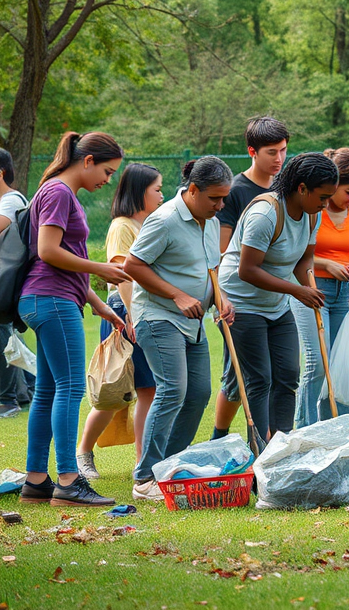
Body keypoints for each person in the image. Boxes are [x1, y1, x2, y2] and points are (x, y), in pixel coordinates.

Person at [19, 132, 128, 507]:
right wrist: (101, 268)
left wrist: (98, 302)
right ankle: (68, 481)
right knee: (70, 389)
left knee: (49, 390)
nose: (108, 180)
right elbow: (47, 251)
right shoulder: (59, 192)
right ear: (88, 160)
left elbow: (64, 258)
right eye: (107, 171)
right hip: (50, 299)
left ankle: (36, 482)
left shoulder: (59, 192)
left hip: (50, 297)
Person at [123, 157, 234, 501]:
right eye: (215, 198)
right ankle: (145, 479)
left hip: (194, 320)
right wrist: (177, 295)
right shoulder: (165, 220)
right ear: (193, 190)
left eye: (224, 198)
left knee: (199, 392)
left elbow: (211, 270)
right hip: (158, 316)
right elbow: (133, 265)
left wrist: (222, 298)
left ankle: (167, 467)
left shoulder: (211, 221)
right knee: (173, 389)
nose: (221, 205)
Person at [218, 153, 338, 442]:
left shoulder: (313, 214)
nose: (326, 204)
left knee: (288, 375)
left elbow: (303, 261)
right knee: (260, 380)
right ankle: (259, 453)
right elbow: (247, 270)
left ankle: (280, 447)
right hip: (241, 303)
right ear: (301, 188)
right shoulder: (266, 214)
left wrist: (307, 283)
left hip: (276, 304)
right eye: (322, 197)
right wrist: (298, 291)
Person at [76, 164, 164, 480]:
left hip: (147, 313)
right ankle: (83, 452)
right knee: (116, 391)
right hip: (126, 313)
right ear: (140, 191)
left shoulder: (152, 223)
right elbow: (122, 276)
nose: (162, 194)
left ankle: (145, 461)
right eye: (157, 189)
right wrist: (132, 318)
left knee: (149, 390)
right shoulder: (122, 226)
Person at [211, 116, 289, 440]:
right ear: (252, 151)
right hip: (238, 300)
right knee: (241, 378)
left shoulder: (284, 187)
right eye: (272, 152)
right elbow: (222, 252)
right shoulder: (235, 191)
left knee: (265, 376)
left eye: (284, 150)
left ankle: (262, 440)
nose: (279, 159)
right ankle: (223, 439)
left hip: (273, 303)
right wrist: (221, 299)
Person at [292, 148, 349, 427]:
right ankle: (305, 433)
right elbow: (296, 251)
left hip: (341, 294)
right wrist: (328, 264)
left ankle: (340, 435)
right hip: (311, 288)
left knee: (340, 364)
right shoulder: (314, 208)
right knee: (317, 362)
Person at [0, 149, 29, 418]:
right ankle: (27, 387)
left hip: (6, 280)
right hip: (5, 279)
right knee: (9, 336)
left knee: (4, 335)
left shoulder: (11, 201)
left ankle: (8, 400)